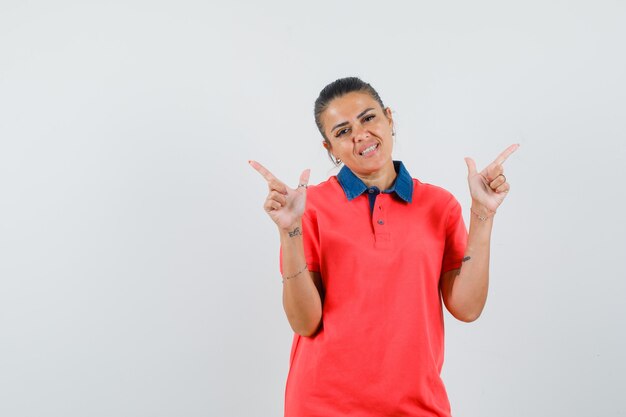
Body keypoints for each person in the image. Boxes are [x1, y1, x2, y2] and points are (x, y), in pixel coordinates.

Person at [249, 77, 518, 417]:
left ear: (389, 118)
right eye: (342, 131)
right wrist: (289, 231)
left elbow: (467, 307)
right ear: (329, 148)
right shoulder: (308, 207)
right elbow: (304, 323)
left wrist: (482, 214)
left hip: (418, 406)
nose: (360, 135)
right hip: (322, 406)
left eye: (368, 118)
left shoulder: (439, 206)